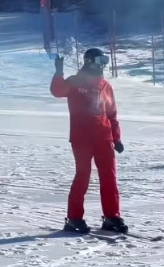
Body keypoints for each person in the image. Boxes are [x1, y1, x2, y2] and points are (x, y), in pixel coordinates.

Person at [51, 48, 127, 234]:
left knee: (109, 178)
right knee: (83, 175)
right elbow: (57, 91)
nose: (103, 65)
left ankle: (111, 216)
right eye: (101, 60)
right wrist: (59, 73)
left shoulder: (105, 85)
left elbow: (112, 114)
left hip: (104, 137)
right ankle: (74, 218)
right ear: (90, 61)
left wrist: (116, 138)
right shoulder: (75, 82)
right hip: (82, 138)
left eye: (105, 61)